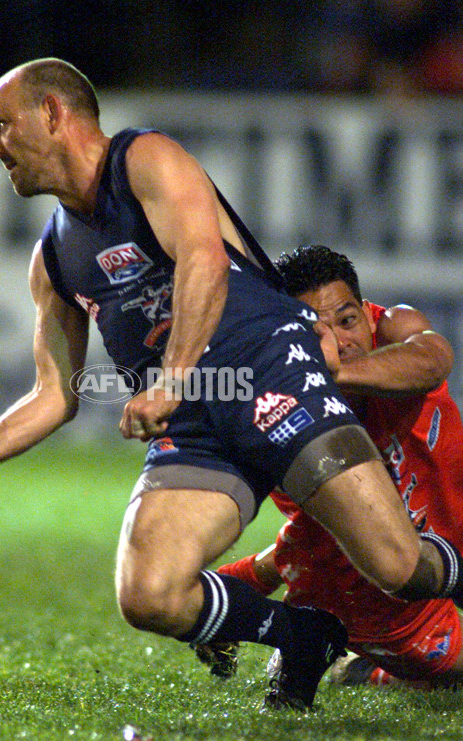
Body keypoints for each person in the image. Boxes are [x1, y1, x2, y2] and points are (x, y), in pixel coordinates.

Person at [0, 59, 463, 711]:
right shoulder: (55, 258)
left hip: (274, 377)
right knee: (148, 594)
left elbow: (204, 261)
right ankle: (304, 634)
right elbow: (55, 393)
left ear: (54, 113)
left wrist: (172, 378)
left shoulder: (145, 160)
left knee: (399, 570)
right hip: (194, 423)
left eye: (3, 125)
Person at [197, 245, 463, 689]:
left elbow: (433, 361)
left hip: (453, 528)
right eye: (317, 329)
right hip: (391, 581)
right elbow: (312, 538)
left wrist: (322, 374)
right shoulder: (277, 409)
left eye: (348, 320)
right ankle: (354, 665)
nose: (342, 341)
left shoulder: (396, 328)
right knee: (446, 675)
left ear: (366, 311)